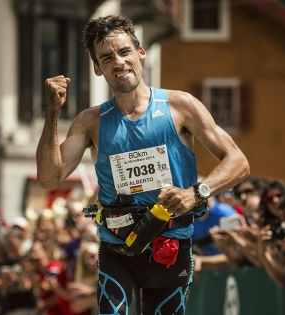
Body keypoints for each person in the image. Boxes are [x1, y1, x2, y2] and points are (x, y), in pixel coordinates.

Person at [36, 15, 249, 315]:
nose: (119, 62)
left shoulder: (180, 106)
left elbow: (238, 161)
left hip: (171, 244)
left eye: (124, 51)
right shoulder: (90, 122)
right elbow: (49, 178)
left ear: (140, 52)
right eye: (107, 58)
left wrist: (196, 193)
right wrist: (52, 113)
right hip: (118, 248)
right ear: (97, 68)